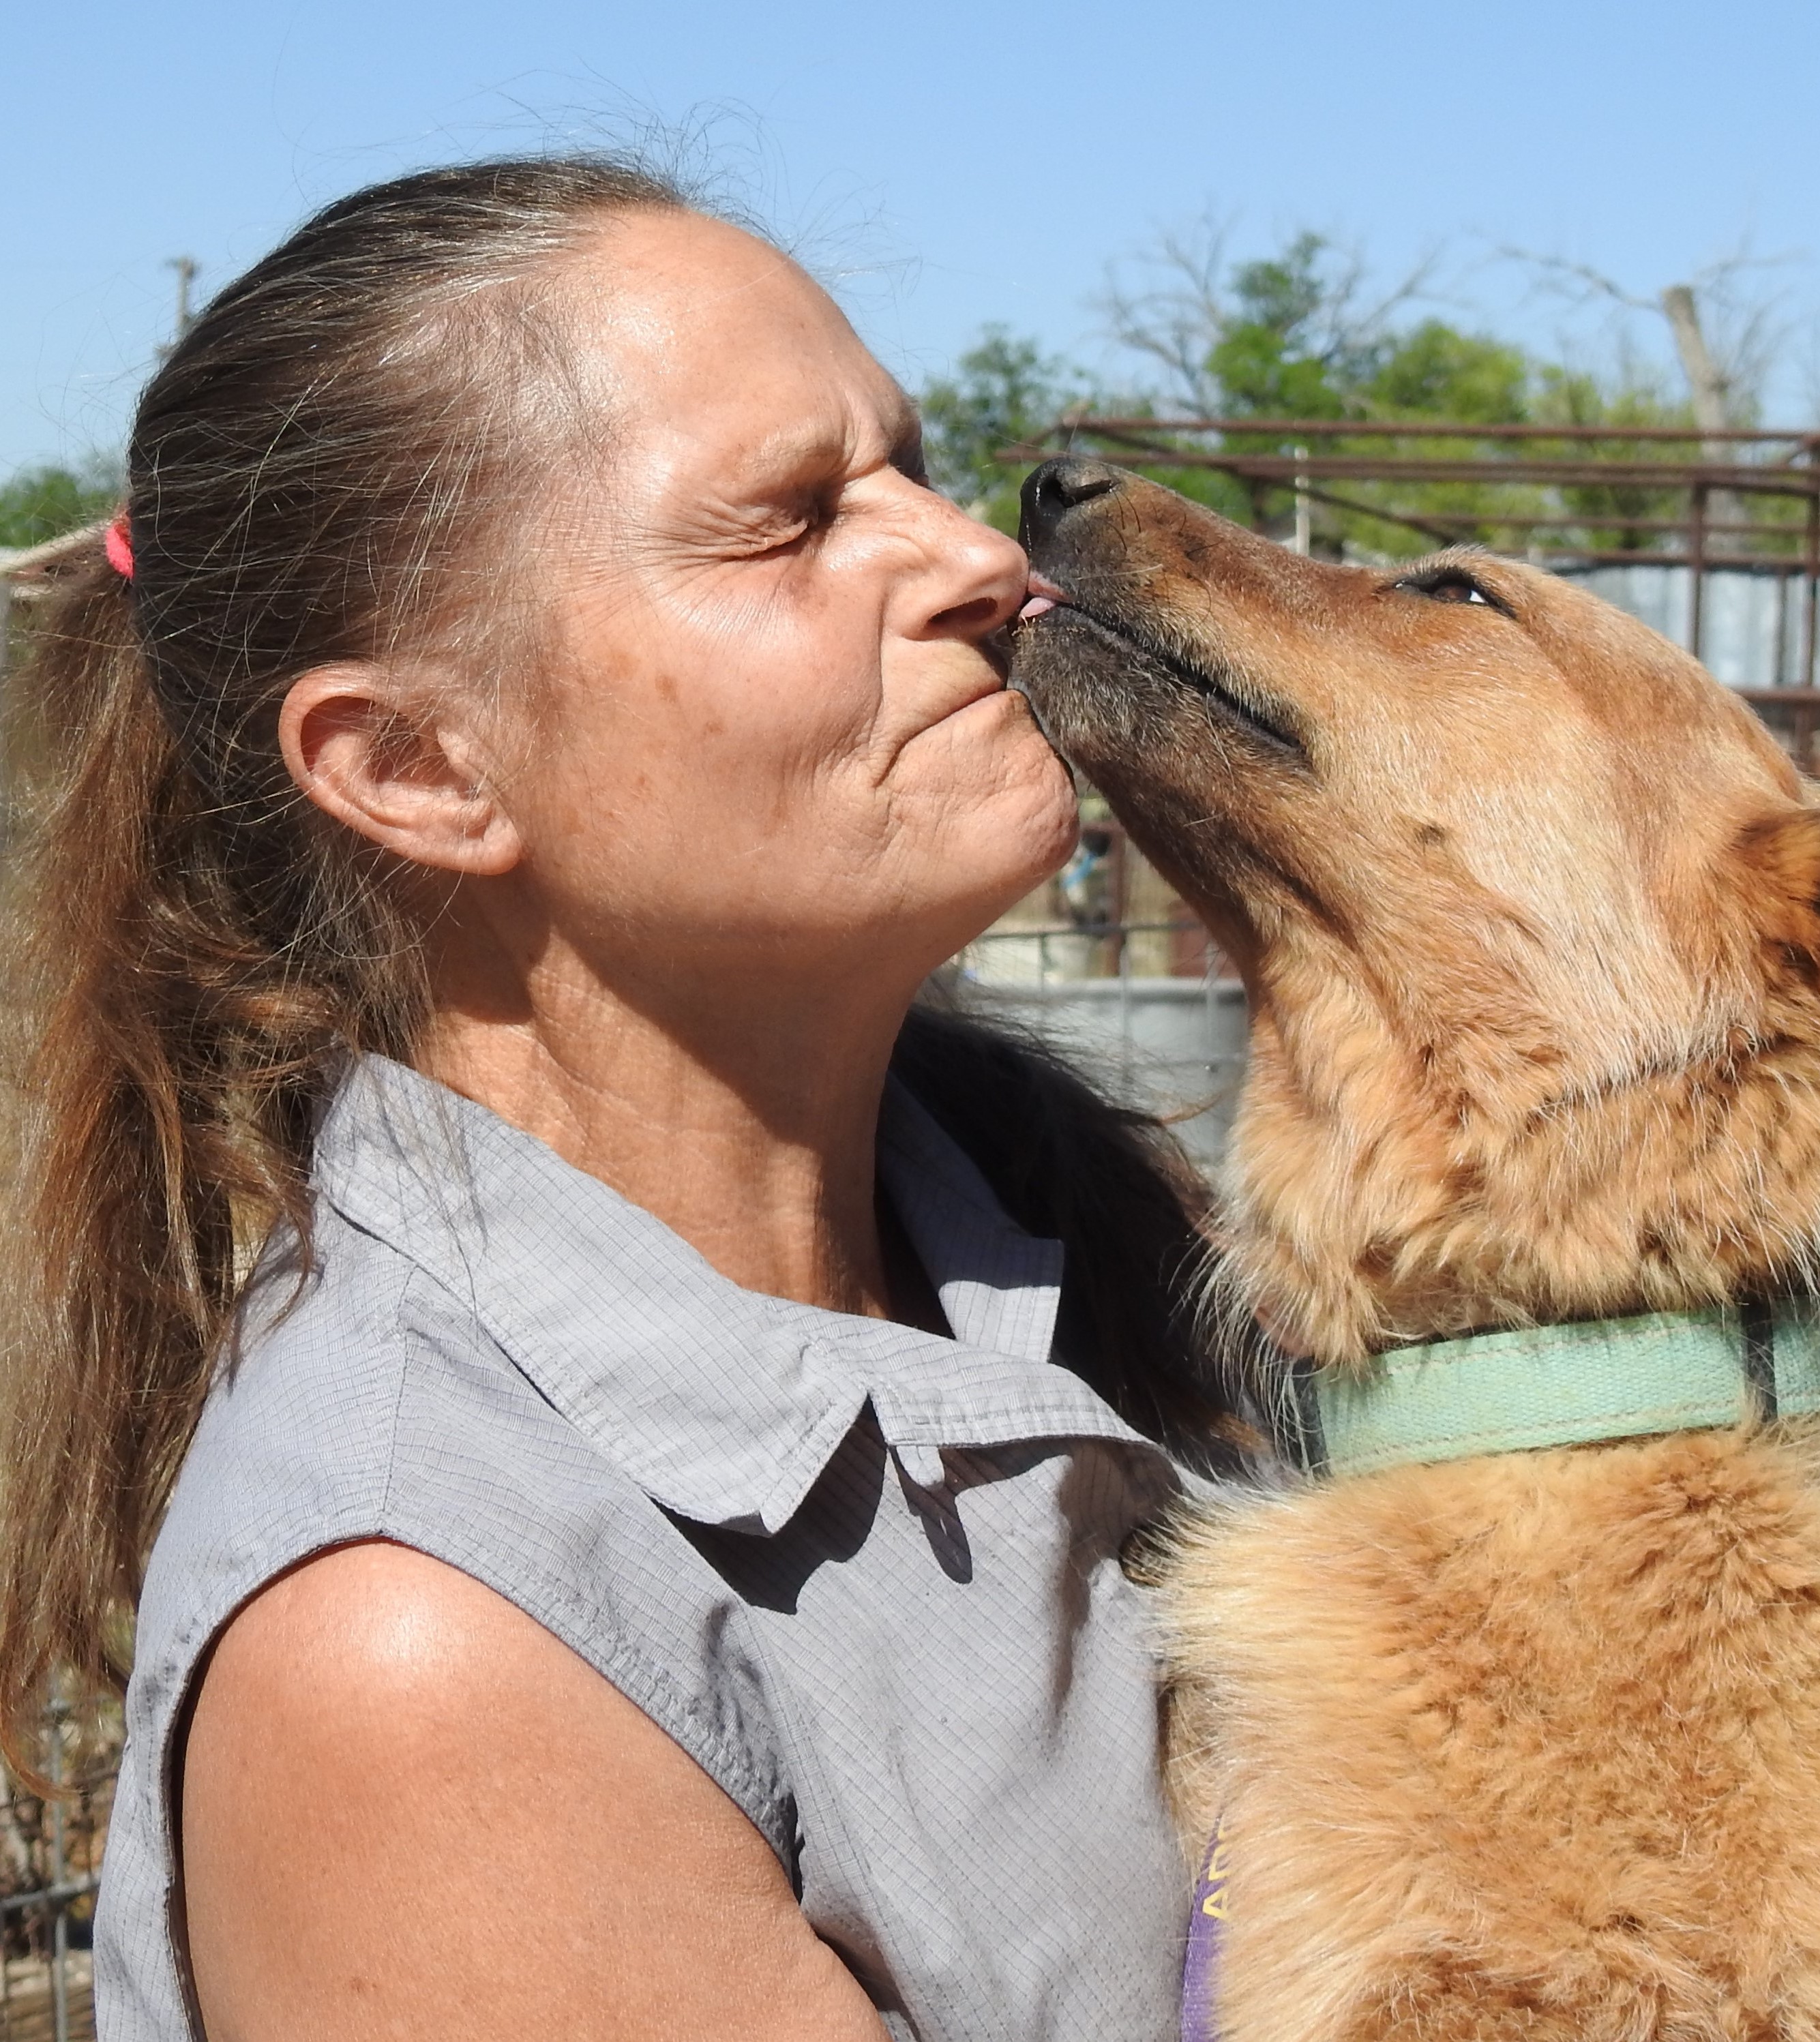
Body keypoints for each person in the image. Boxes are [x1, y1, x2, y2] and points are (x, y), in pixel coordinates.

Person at [0, 157, 1249, 2041]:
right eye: (790, 522)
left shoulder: (1069, 1219)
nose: (979, 559)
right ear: (418, 768)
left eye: (908, 465)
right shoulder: (423, 1642)